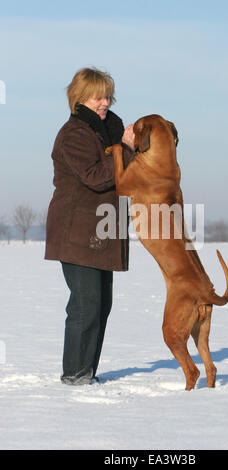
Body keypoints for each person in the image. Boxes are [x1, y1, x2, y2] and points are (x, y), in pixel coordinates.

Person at [45, 67, 136, 385]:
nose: (105, 102)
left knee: (101, 306)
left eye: (108, 96)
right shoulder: (75, 134)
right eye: (98, 96)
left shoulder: (106, 131)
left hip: (102, 233)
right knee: (86, 305)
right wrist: (125, 151)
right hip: (77, 232)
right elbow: (97, 177)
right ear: (80, 98)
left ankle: (87, 373)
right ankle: (74, 376)